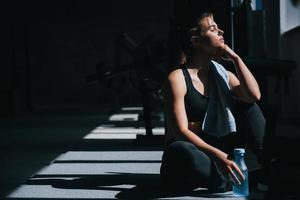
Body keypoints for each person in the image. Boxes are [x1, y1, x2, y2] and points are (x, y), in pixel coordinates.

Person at [160, 12, 266, 192]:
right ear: (195, 40)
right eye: (213, 28)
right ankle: (232, 178)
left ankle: (259, 163)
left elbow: (253, 96)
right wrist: (218, 155)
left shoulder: (223, 75)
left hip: (219, 150)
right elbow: (181, 131)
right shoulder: (177, 78)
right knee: (180, 150)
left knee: (249, 106)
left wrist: (235, 58)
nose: (221, 31)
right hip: (199, 152)